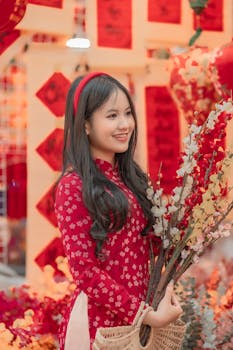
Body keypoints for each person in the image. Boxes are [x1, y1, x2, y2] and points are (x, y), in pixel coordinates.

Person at [54, 72, 183, 349]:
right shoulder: (73, 186)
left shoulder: (132, 178)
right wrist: (147, 315)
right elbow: (85, 272)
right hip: (98, 326)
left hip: (140, 320)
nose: (125, 124)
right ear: (86, 124)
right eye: (112, 116)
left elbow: (153, 246)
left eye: (127, 113)